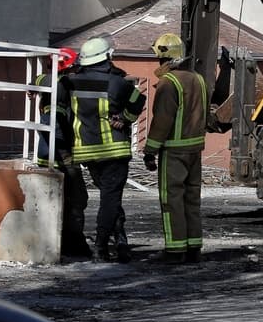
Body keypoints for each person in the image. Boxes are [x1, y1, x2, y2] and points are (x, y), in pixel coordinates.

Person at [59, 35, 146, 263]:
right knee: (110, 199)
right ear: (107, 57)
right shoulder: (117, 83)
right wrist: (125, 119)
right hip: (113, 150)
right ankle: (101, 247)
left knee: (110, 198)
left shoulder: (68, 82)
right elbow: (139, 99)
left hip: (86, 152)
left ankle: (120, 243)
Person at [143, 33, 209, 264]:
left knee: (172, 201)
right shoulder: (198, 79)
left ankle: (174, 251)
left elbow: (162, 120)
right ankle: (193, 249)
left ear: (163, 56)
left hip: (173, 151)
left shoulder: (168, 83)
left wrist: (150, 150)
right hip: (194, 150)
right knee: (192, 199)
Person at [33, 48, 92, 259]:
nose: (78, 71)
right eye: (75, 67)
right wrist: (66, 152)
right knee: (76, 199)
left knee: (61, 201)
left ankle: (64, 242)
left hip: (52, 152)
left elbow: (40, 79)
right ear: (66, 66)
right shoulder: (60, 85)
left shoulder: (51, 83)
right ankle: (73, 244)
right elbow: (55, 123)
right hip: (59, 154)